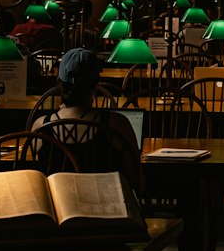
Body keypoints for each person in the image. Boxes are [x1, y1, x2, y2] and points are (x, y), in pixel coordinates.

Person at [32, 47, 143, 189]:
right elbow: (139, 183)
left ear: (60, 83)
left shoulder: (40, 127)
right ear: (95, 85)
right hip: (105, 209)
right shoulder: (116, 124)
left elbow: (35, 184)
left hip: (56, 210)